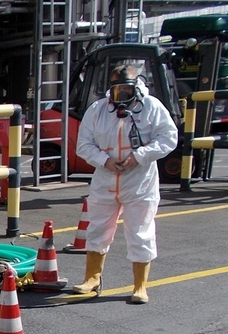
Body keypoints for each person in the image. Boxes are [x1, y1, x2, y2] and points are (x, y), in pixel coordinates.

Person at [72, 63, 179, 304]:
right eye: (117, 90)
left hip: (139, 181)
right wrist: (105, 161)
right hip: (105, 179)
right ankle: (92, 278)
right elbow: (84, 144)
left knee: (140, 232)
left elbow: (168, 137)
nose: (121, 96)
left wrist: (139, 156)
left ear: (136, 88)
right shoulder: (98, 110)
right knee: (97, 228)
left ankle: (140, 285)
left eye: (126, 91)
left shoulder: (151, 107)